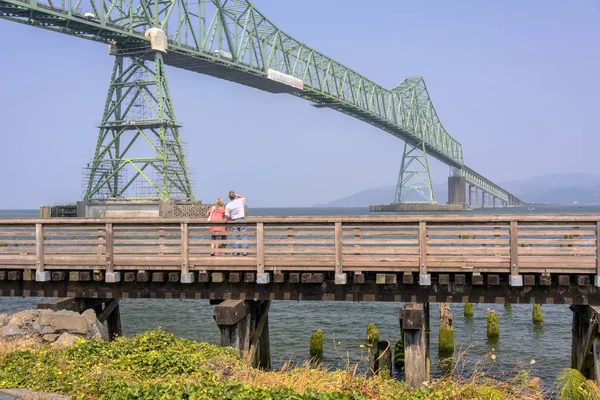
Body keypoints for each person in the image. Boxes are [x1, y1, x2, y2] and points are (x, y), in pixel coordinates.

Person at [224, 191, 247, 255]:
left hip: (234, 220)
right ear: (234, 196)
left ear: (229, 197)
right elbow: (243, 197)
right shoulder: (240, 201)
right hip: (241, 219)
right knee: (243, 235)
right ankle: (244, 250)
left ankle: (236, 251)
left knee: (235, 236)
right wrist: (236, 195)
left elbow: (227, 215)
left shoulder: (228, 205)